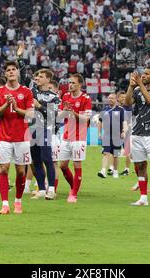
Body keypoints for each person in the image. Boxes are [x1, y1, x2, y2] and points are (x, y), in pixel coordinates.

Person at [0, 61, 34, 214]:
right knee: (3, 168)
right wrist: (6, 104)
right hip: (4, 137)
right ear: (5, 74)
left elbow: (30, 115)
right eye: (8, 70)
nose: (11, 72)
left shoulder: (27, 92)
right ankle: (5, 204)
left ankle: (18, 201)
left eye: (13, 69)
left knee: (21, 171)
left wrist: (16, 107)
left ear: (18, 72)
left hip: (22, 137)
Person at [124, 67, 150, 206]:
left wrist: (140, 85)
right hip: (137, 133)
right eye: (142, 74)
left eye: (147, 74)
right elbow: (127, 103)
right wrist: (131, 86)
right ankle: (143, 197)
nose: (143, 76)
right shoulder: (137, 90)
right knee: (140, 166)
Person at [57, 73, 92, 203]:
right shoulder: (65, 96)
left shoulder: (85, 98)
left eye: (73, 83)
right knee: (63, 165)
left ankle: (74, 194)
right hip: (66, 136)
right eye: (69, 82)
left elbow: (86, 119)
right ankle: (74, 187)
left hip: (79, 137)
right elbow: (59, 117)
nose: (70, 85)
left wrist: (73, 113)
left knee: (77, 164)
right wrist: (65, 111)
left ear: (80, 84)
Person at [29, 68, 61, 200]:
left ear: (48, 80)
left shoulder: (54, 97)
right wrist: (19, 58)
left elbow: (53, 114)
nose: (38, 78)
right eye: (37, 76)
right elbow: (25, 77)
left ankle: (52, 189)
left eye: (41, 76)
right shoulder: (32, 92)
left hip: (46, 129)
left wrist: (39, 105)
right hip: (31, 129)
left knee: (47, 159)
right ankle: (41, 189)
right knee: (36, 161)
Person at [97, 93, 127, 179]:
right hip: (106, 135)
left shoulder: (121, 110)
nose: (110, 100)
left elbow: (124, 122)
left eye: (112, 98)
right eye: (109, 98)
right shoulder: (104, 110)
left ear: (116, 99)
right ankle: (103, 171)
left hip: (117, 136)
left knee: (116, 155)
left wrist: (123, 131)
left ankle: (116, 171)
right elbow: (99, 122)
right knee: (105, 153)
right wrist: (99, 133)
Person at [118, 92, 132, 177]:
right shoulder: (117, 108)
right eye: (121, 97)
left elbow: (129, 120)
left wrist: (124, 130)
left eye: (124, 97)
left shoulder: (128, 108)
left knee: (127, 151)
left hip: (127, 132)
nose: (123, 98)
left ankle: (127, 169)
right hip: (119, 132)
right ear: (118, 98)